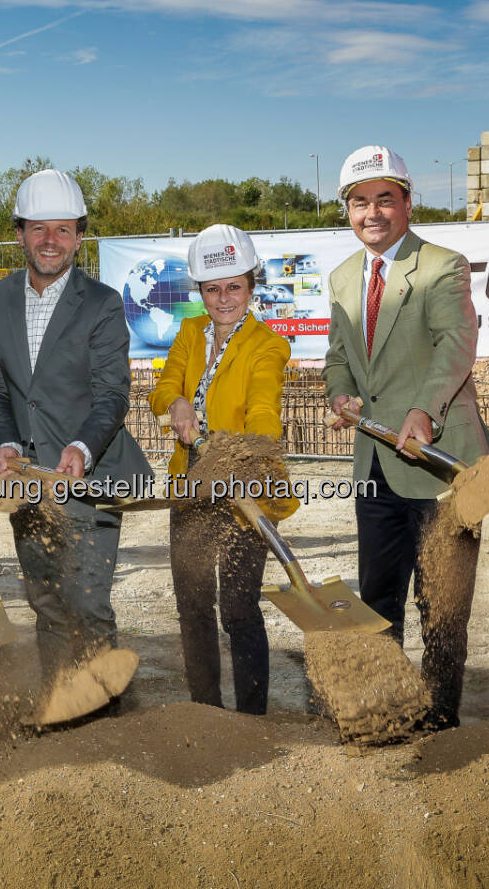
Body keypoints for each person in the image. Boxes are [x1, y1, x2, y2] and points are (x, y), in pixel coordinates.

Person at [323, 145, 489, 731]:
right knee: (378, 599)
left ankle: (441, 721)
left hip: (438, 462)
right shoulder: (343, 278)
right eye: (359, 201)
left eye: (383, 199)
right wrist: (339, 395)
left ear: (407, 203)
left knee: (443, 604)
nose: (371, 212)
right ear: (347, 210)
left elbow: (456, 344)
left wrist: (426, 409)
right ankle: (392, 711)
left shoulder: (444, 265)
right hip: (374, 464)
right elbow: (339, 357)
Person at [0, 169, 151, 689]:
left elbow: (112, 394)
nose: (49, 241)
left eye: (62, 229)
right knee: (47, 599)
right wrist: (6, 444)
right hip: (30, 481)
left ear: (79, 236)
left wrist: (81, 447)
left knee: (87, 601)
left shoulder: (100, 303)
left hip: (89, 480)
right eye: (38, 228)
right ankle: (61, 705)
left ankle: (106, 713)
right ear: (19, 233)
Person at [148, 224, 297, 715]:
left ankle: (251, 717)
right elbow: (163, 386)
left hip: (243, 483)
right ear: (200, 292)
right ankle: (204, 711)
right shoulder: (191, 333)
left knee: (238, 609)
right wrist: (177, 405)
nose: (224, 297)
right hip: (191, 482)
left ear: (252, 286)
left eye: (234, 286)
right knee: (192, 606)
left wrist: (247, 453)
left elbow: (263, 409)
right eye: (213, 289)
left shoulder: (268, 345)